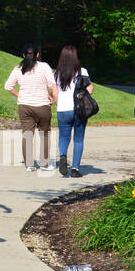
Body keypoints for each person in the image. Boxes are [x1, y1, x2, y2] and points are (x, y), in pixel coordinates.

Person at [4, 44, 57, 173]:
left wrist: (19, 95)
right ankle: (44, 164)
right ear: (37, 55)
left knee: (27, 134)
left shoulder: (18, 69)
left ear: (23, 55)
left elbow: (8, 86)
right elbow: (53, 85)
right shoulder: (44, 67)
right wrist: (52, 97)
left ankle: (29, 165)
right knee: (44, 134)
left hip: (25, 106)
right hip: (42, 105)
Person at [52, 44, 93, 178]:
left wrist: (59, 104)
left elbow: (54, 92)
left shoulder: (57, 73)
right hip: (79, 109)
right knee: (78, 139)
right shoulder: (82, 71)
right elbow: (90, 89)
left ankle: (63, 155)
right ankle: (75, 168)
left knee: (64, 137)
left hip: (63, 109)